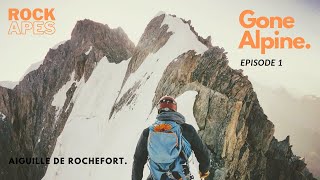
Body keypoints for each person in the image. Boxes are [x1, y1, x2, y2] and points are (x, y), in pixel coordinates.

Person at [132, 96, 211, 180]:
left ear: (159, 110)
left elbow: (138, 160)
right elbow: (202, 153)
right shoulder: (187, 130)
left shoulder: (148, 132)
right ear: (174, 110)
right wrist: (204, 171)